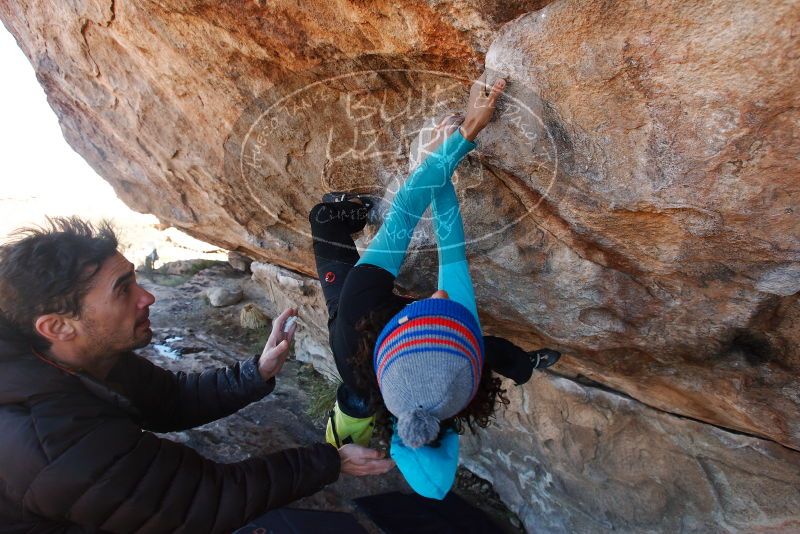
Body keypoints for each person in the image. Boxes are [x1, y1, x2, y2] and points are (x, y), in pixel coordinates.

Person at [0, 218, 394, 532]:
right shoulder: (54, 441)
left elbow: (170, 399)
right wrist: (331, 461)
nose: (147, 297)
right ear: (57, 327)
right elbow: (206, 501)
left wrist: (256, 372)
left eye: (135, 278)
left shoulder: (84, 357)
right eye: (123, 290)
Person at [309, 74, 561, 499]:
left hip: (355, 330)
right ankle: (526, 366)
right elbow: (451, 244)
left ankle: (363, 210)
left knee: (324, 218)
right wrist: (439, 166)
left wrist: (459, 139)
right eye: (450, 325)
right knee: (488, 348)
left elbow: (407, 210)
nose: (440, 297)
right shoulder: (459, 371)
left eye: (429, 316)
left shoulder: (359, 308)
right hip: (400, 344)